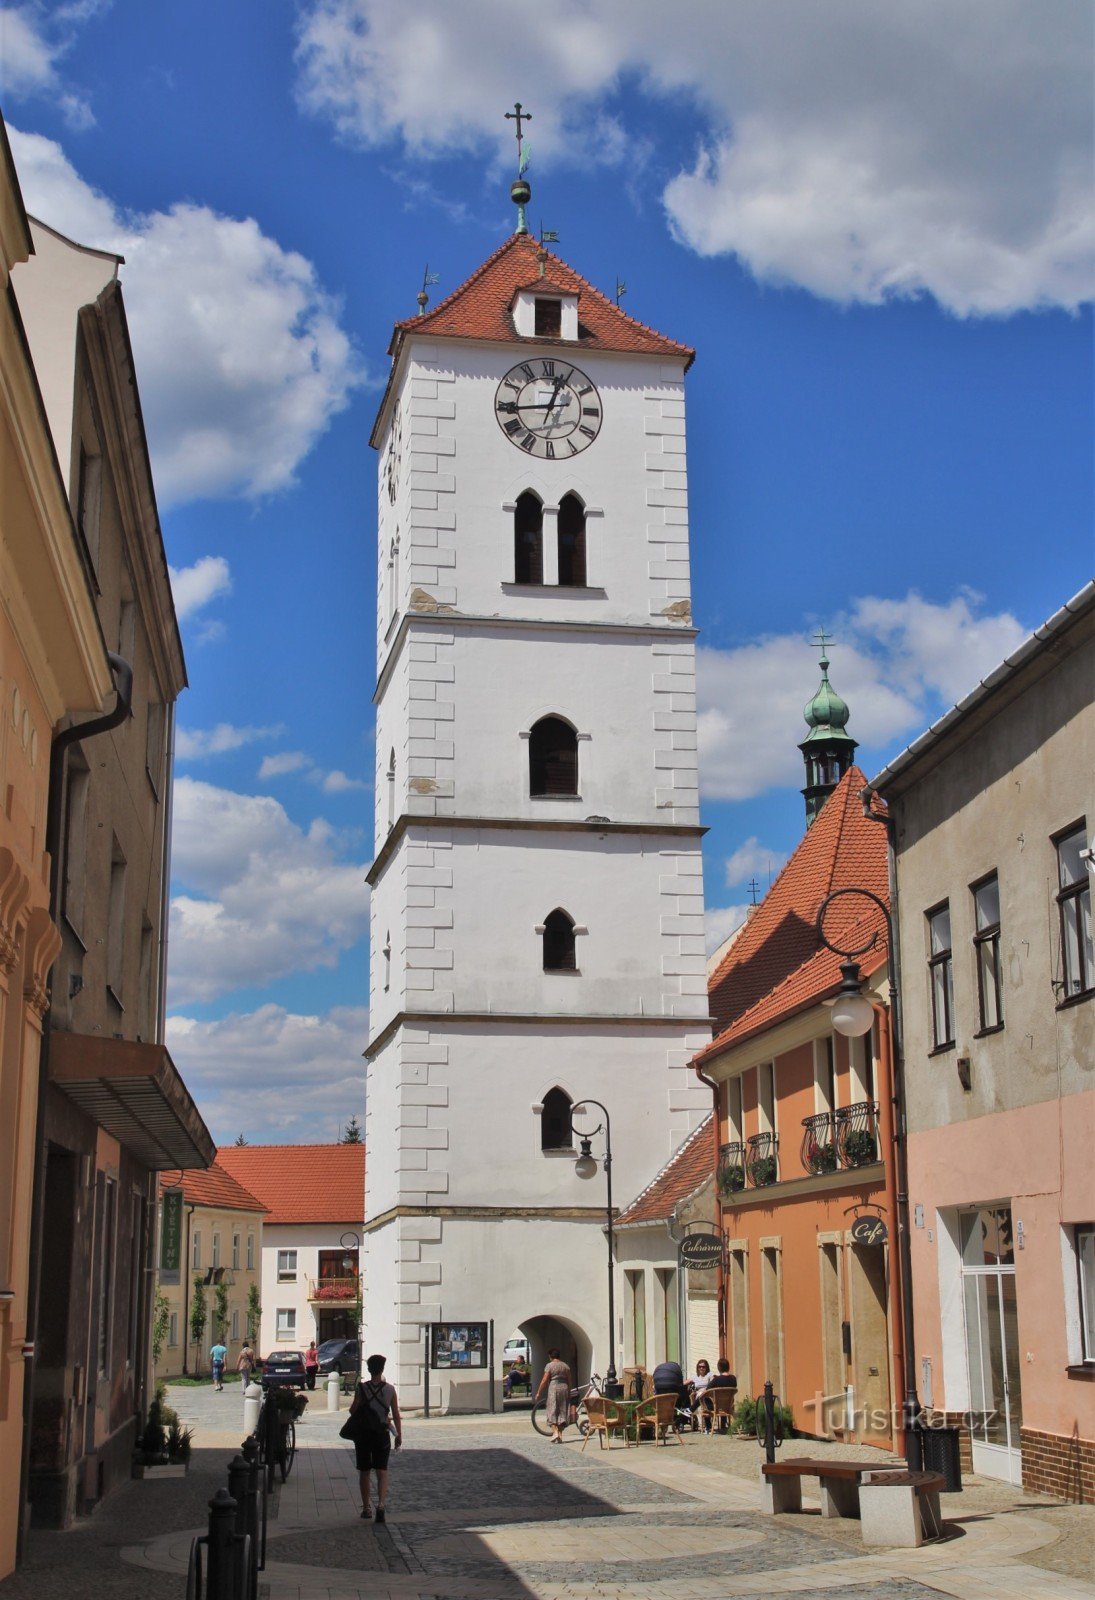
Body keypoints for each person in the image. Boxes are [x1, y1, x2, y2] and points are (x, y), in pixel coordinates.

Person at [349, 1353, 401, 1522]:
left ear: (369, 1370)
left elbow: (352, 1410)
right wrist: (398, 1435)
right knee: (382, 1471)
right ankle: (381, 1505)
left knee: (364, 1471)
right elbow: (396, 1414)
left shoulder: (361, 1388)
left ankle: (366, 1508)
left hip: (364, 1434)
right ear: (382, 1369)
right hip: (382, 1433)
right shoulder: (390, 1389)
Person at [534, 1346, 572, 1444]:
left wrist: (538, 1392)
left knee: (552, 1409)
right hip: (564, 1388)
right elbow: (569, 1380)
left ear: (550, 1356)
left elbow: (544, 1380)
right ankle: (560, 1435)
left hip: (554, 1387)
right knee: (563, 1410)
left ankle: (555, 1432)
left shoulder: (549, 1366)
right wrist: (569, 1390)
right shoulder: (565, 1366)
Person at [689, 1358, 712, 1428]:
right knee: (700, 1395)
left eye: (703, 1367)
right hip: (699, 1397)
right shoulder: (695, 1377)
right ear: (697, 1367)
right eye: (700, 1366)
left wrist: (705, 1390)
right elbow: (684, 1383)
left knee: (701, 1395)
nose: (701, 1368)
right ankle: (707, 1426)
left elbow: (713, 1382)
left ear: (706, 1367)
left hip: (708, 1396)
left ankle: (690, 1410)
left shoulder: (709, 1375)